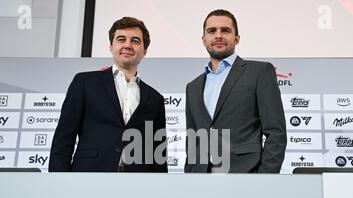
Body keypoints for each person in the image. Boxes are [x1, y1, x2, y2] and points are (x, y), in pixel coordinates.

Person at [49, 17, 167, 172]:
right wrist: (58, 182)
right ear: (111, 46)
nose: (127, 45)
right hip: (88, 177)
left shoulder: (155, 98)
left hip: (138, 184)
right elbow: (63, 138)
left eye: (135, 41)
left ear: (144, 51)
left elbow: (158, 153)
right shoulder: (84, 82)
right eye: (121, 39)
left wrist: (158, 190)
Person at [184, 9, 287, 173]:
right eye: (212, 31)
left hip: (246, 175)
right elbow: (193, 140)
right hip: (202, 180)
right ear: (203, 40)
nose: (218, 35)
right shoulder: (193, 87)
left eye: (225, 30)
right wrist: (191, 174)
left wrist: (265, 179)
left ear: (237, 38)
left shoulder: (260, 72)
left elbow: (276, 133)